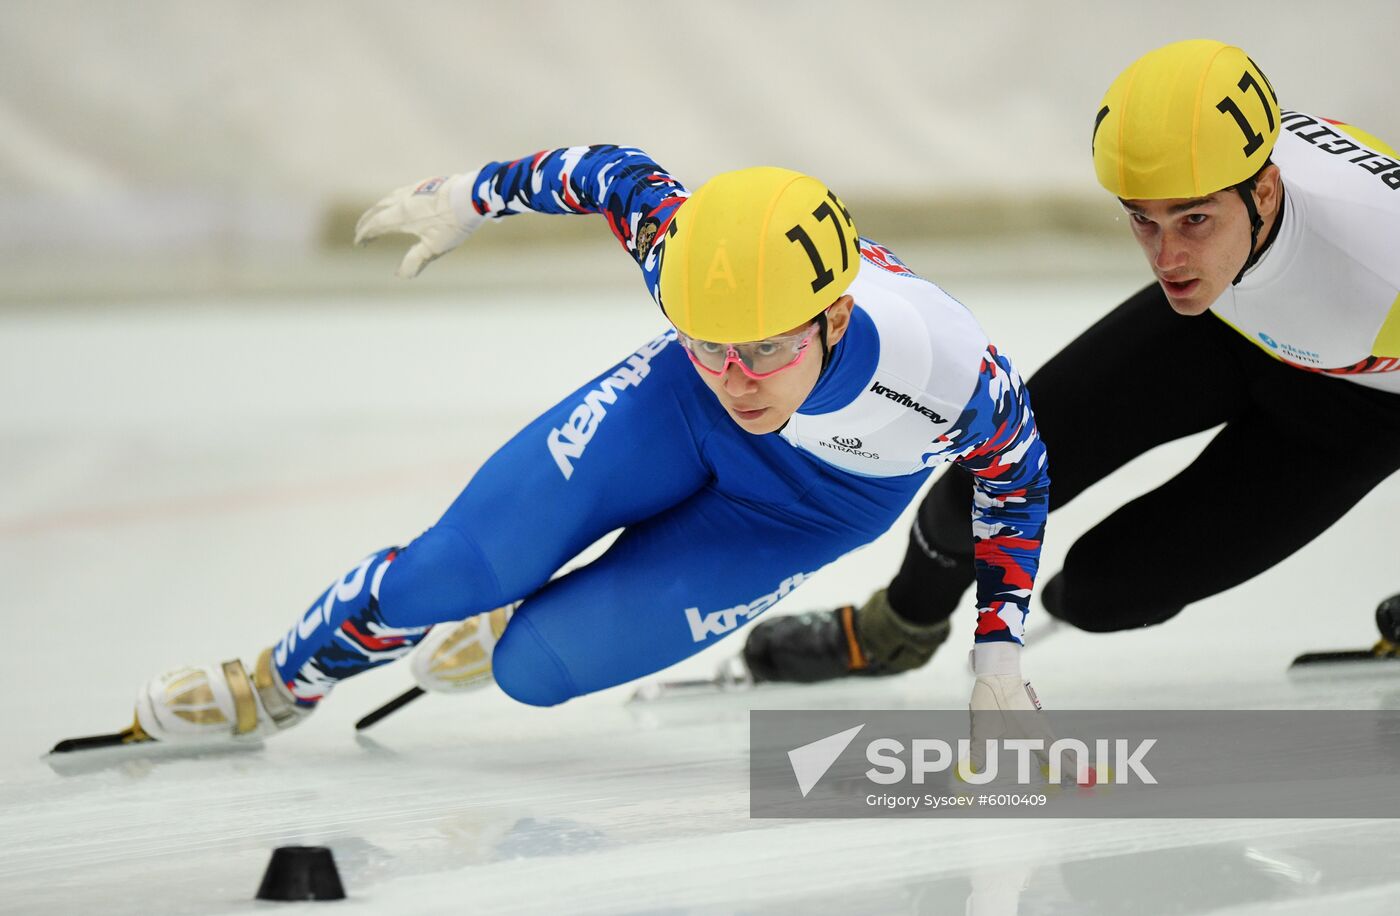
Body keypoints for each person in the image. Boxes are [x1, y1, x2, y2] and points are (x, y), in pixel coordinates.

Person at [116, 145, 1050, 746]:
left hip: (813, 506)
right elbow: (608, 170)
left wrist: (998, 659)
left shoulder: (948, 372)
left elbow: (1016, 485)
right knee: (450, 569)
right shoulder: (685, 260)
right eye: (708, 341)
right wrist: (466, 198)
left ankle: (509, 623)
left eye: (765, 349)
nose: (737, 378)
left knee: (533, 670)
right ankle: (274, 684)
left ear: (835, 317)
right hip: (670, 411)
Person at [744, 38, 1400, 686]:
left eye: (1194, 220)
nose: (1167, 258)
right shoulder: (1218, 187)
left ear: (1264, 191)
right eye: (1143, 221)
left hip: (1354, 415)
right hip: (1225, 327)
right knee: (980, 485)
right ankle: (890, 634)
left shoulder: (1379, 259)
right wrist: (1200, 233)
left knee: (1098, 596)